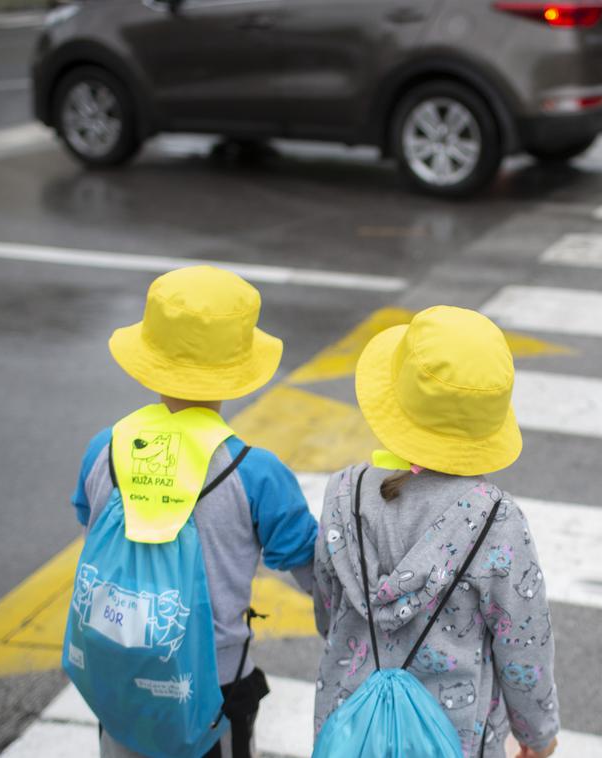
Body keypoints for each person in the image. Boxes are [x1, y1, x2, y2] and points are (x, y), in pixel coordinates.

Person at [68, 266, 320, 757]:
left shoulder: (106, 448)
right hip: (212, 683)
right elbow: (313, 571)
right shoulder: (256, 473)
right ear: (238, 369)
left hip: (115, 665)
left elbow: (89, 522)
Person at [311, 305, 560, 758]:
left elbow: (327, 611)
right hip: (456, 740)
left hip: (350, 732)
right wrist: (537, 736)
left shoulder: (344, 494)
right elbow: (523, 647)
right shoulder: (497, 524)